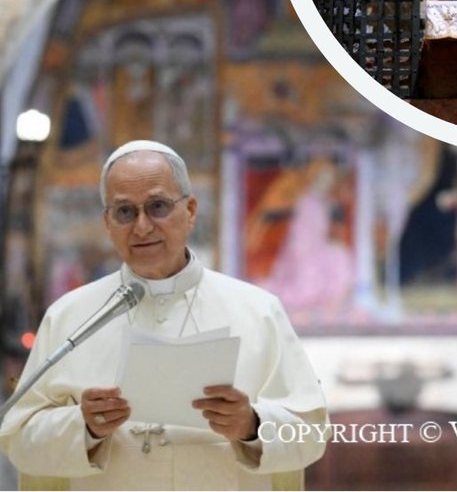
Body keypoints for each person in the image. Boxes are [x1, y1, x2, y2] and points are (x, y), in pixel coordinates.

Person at [0, 140, 328, 490]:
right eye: (125, 211)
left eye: (157, 206)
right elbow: (20, 440)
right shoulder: (69, 317)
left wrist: (250, 425)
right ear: (108, 222)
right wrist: (85, 427)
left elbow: (311, 433)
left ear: (189, 211)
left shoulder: (259, 312)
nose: (142, 227)